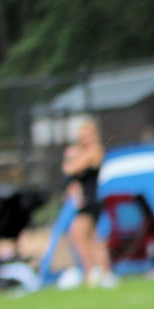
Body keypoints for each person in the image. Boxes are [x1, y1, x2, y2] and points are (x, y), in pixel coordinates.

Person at [61, 117, 116, 288]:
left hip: (91, 200)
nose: (82, 139)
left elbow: (70, 168)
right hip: (85, 200)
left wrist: (70, 157)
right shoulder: (83, 151)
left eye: (85, 135)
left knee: (79, 235)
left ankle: (93, 272)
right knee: (91, 239)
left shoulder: (94, 150)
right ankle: (100, 273)